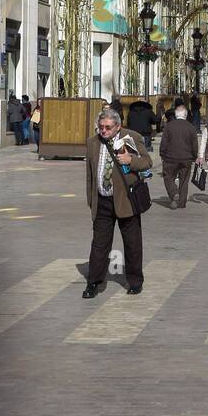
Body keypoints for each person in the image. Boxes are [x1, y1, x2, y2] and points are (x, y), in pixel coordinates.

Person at [83, 109, 152, 298]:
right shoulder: (92, 142)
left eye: (107, 128)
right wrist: (91, 200)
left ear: (118, 126)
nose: (103, 131)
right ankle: (94, 282)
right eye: (101, 127)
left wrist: (131, 160)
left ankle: (135, 282)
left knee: (132, 244)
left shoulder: (133, 138)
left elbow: (147, 162)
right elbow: (90, 174)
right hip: (102, 201)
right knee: (99, 244)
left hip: (125, 200)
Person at [158, 97, 199, 208]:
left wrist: (162, 154)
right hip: (186, 158)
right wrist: (195, 156)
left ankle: (174, 193)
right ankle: (182, 202)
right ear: (185, 115)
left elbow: (164, 142)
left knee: (168, 177)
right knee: (184, 180)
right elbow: (194, 145)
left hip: (170, 157)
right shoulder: (191, 128)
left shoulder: (169, 127)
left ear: (176, 115)